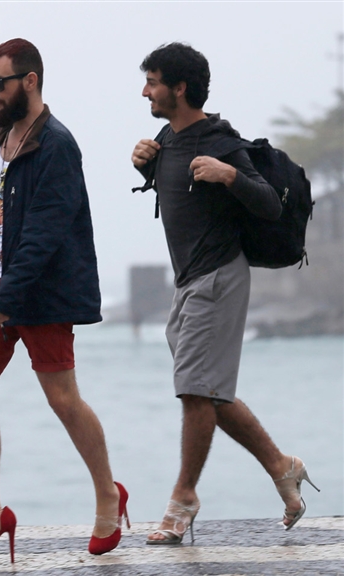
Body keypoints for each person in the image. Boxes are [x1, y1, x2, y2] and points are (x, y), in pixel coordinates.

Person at [131, 42, 320, 545]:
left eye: (152, 82)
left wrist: (231, 174)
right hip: (188, 282)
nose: (145, 91)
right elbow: (184, 199)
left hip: (218, 278)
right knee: (210, 393)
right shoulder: (167, 139)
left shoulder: (221, 142)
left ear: (180, 88)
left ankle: (184, 497)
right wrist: (146, 166)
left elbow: (269, 203)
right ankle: (282, 467)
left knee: (195, 392)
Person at [0, 38, 128, 568]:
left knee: (63, 399)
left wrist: (12, 292)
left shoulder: (57, 145)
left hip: (40, 292)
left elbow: (46, 230)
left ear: (29, 81)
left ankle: (108, 495)